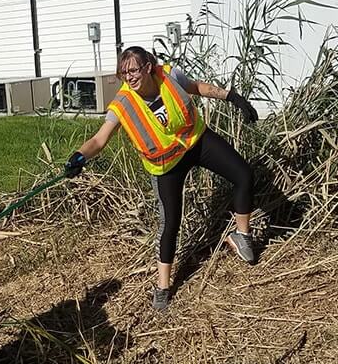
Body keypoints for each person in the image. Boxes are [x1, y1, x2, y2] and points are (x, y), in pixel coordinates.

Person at [64, 46, 258, 311]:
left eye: (133, 70)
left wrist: (231, 96)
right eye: (123, 73)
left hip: (196, 141)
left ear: (148, 66)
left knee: (244, 175)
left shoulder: (169, 75)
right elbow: (99, 139)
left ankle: (241, 235)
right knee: (170, 225)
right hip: (167, 165)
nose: (129, 77)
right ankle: (163, 286)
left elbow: (196, 87)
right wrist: (79, 156)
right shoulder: (122, 104)